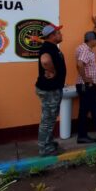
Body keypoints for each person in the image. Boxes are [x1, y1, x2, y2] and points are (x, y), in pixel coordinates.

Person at [35, 24, 66, 156]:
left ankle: (48, 142)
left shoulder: (50, 46)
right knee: (47, 120)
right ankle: (44, 148)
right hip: (50, 90)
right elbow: (46, 61)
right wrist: (52, 71)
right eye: (59, 33)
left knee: (50, 118)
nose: (61, 35)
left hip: (51, 89)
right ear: (52, 36)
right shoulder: (48, 48)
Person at [75, 18, 96, 143]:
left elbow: (83, 64)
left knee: (85, 110)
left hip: (86, 84)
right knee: (95, 109)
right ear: (91, 40)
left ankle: (83, 135)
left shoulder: (85, 47)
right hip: (87, 85)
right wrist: (87, 79)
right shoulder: (85, 50)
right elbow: (80, 64)